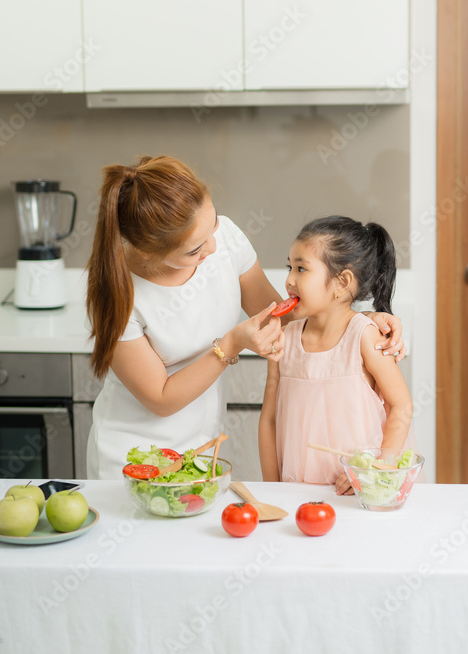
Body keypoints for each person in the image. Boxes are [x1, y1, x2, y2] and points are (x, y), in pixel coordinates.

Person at [85, 156, 406, 479]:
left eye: (213, 226)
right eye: (195, 250)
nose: (212, 247)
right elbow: (161, 399)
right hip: (134, 456)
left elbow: (283, 314)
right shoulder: (115, 292)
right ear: (148, 253)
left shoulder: (225, 240)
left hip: (201, 447)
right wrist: (231, 344)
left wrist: (363, 318)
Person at [258, 216, 416, 495]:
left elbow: (401, 405)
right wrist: (272, 489)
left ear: (342, 282)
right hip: (296, 490)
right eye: (289, 267)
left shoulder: (365, 335)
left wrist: (378, 470)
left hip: (357, 491)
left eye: (301, 269)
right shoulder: (285, 339)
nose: (289, 280)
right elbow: (269, 420)